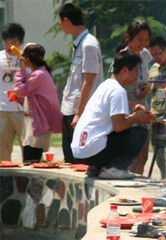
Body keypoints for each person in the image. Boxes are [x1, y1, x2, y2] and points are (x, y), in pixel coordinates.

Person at [71, 51, 156, 179]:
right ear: (125, 70)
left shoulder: (106, 85)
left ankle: (96, 167)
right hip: (92, 151)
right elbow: (119, 126)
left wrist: (133, 107)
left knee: (119, 131)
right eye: (136, 71)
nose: (137, 76)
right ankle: (114, 169)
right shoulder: (118, 90)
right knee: (140, 132)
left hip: (80, 151)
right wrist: (137, 118)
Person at [59, 3, 103, 163]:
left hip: (79, 111)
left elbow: (88, 82)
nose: (60, 25)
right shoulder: (79, 43)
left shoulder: (89, 44)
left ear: (66, 21)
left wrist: (79, 113)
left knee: (78, 160)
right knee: (69, 159)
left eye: (60, 21)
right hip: (69, 108)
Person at [114, 19, 153, 175]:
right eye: (139, 40)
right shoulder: (122, 58)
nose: (142, 44)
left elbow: (146, 79)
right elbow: (116, 90)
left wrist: (147, 88)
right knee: (132, 156)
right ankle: (128, 187)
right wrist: (134, 106)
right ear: (128, 37)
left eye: (146, 40)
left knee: (143, 156)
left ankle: (139, 187)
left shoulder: (145, 54)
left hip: (143, 106)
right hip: (128, 109)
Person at [13, 44, 62, 163]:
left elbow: (20, 89)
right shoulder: (41, 73)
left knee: (31, 161)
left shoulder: (38, 75)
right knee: (32, 160)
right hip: (34, 122)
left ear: (27, 60)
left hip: (37, 124)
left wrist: (21, 69)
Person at [147, 36, 166, 179]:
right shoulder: (153, 68)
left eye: (158, 53)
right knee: (158, 154)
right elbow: (152, 92)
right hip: (156, 116)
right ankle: (164, 180)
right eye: (152, 55)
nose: (155, 57)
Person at [0, 23, 25, 161]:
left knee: (26, 146)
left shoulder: (27, 58)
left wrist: (24, 62)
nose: (9, 45)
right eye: (6, 41)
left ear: (21, 42)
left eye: (13, 41)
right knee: (3, 148)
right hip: (2, 109)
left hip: (22, 109)